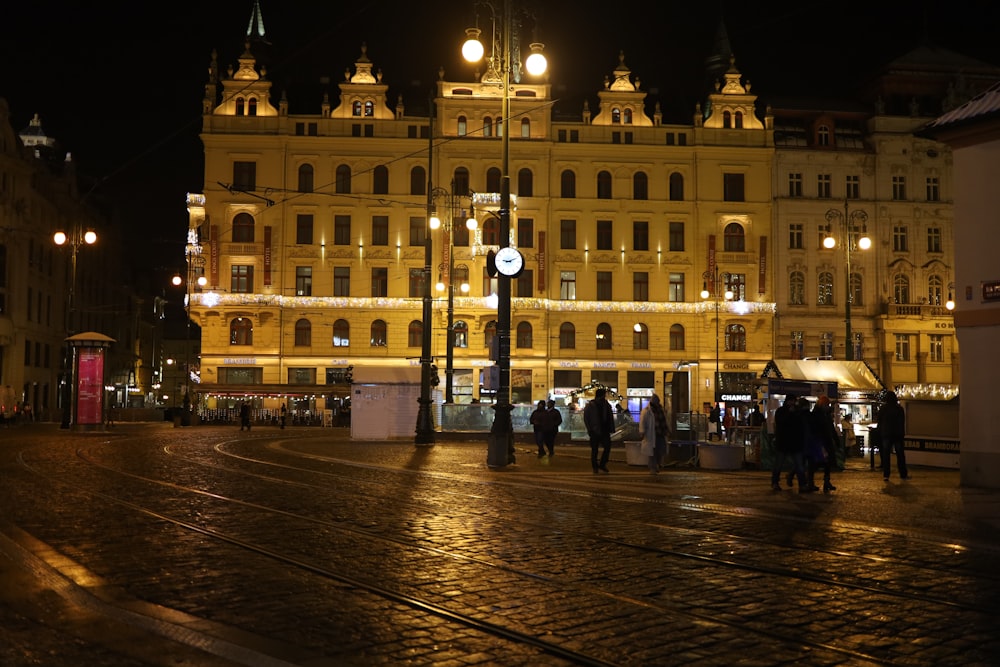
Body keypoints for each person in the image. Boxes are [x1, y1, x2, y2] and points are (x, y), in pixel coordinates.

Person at [770, 394, 809, 492]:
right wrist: (789, 414)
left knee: (799, 464)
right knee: (779, 463)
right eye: (791, 401)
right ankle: (775, 482)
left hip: (795, 442)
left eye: (794, 401)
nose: (792, 403)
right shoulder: (781, 411)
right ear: (787, 401)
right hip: (783, 441)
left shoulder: (797, 412)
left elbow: (801, 425)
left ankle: (802, 484)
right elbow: (780, 423)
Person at [806, 396, 839, 492]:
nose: (828, 406)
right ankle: (812, 482)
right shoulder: (817, 415)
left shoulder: (825, 415)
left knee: (826, 463)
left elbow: (831, 429)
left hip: (825, 442)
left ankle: (825, 481)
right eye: (826, 405)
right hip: (819, 442)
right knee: (816, 463)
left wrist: (835, 439)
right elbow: (819, 429)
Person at [878, 392, 908, 481]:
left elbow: (880, 421)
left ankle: (886, 474)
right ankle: (903, 474)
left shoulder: (883, 409)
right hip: (898, 434)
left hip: (886, 434)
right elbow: (902, 422)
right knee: (900, 455)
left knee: (886, 454)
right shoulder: (899, 409)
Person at [584, 388, 615, 474]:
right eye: (604, 395)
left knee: (607, 448)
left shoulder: (606, 405)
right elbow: (587, 418)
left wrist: (611, 428)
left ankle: (601, 464)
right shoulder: (591, 405)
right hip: (595, 430)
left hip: (604, 430)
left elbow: (609, 417)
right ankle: (595, 466)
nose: (604, 397)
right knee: (595, 450)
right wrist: (590, 429)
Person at [639, 394, 670, 474]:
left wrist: (667, 430)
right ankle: (653, 467)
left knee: (660, 451)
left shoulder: (660, 409)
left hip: (660, 433)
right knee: (652, 452)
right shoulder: (647, 411)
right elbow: (643, 422)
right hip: (652, 434)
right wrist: (642, 431)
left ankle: (657, 464)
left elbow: (665, 421)